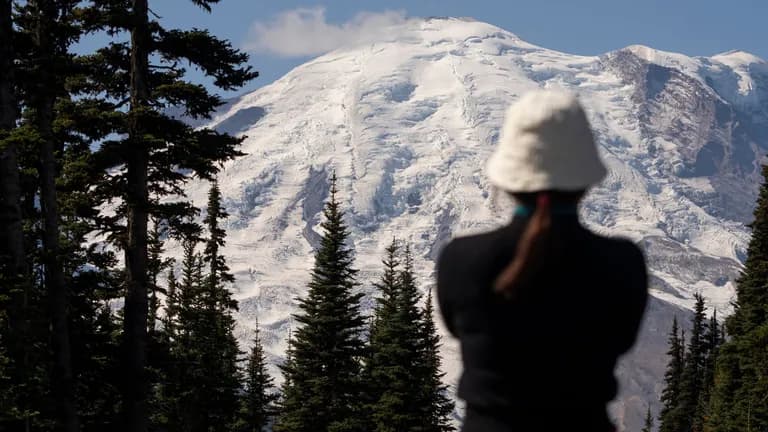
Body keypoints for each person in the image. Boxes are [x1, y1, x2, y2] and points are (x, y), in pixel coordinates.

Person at [436, 90, 648, 432]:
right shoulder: (622, 264)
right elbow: (622, 341)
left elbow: (457, 329)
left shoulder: (461, 260)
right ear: (585, 181)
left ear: (508, 179)